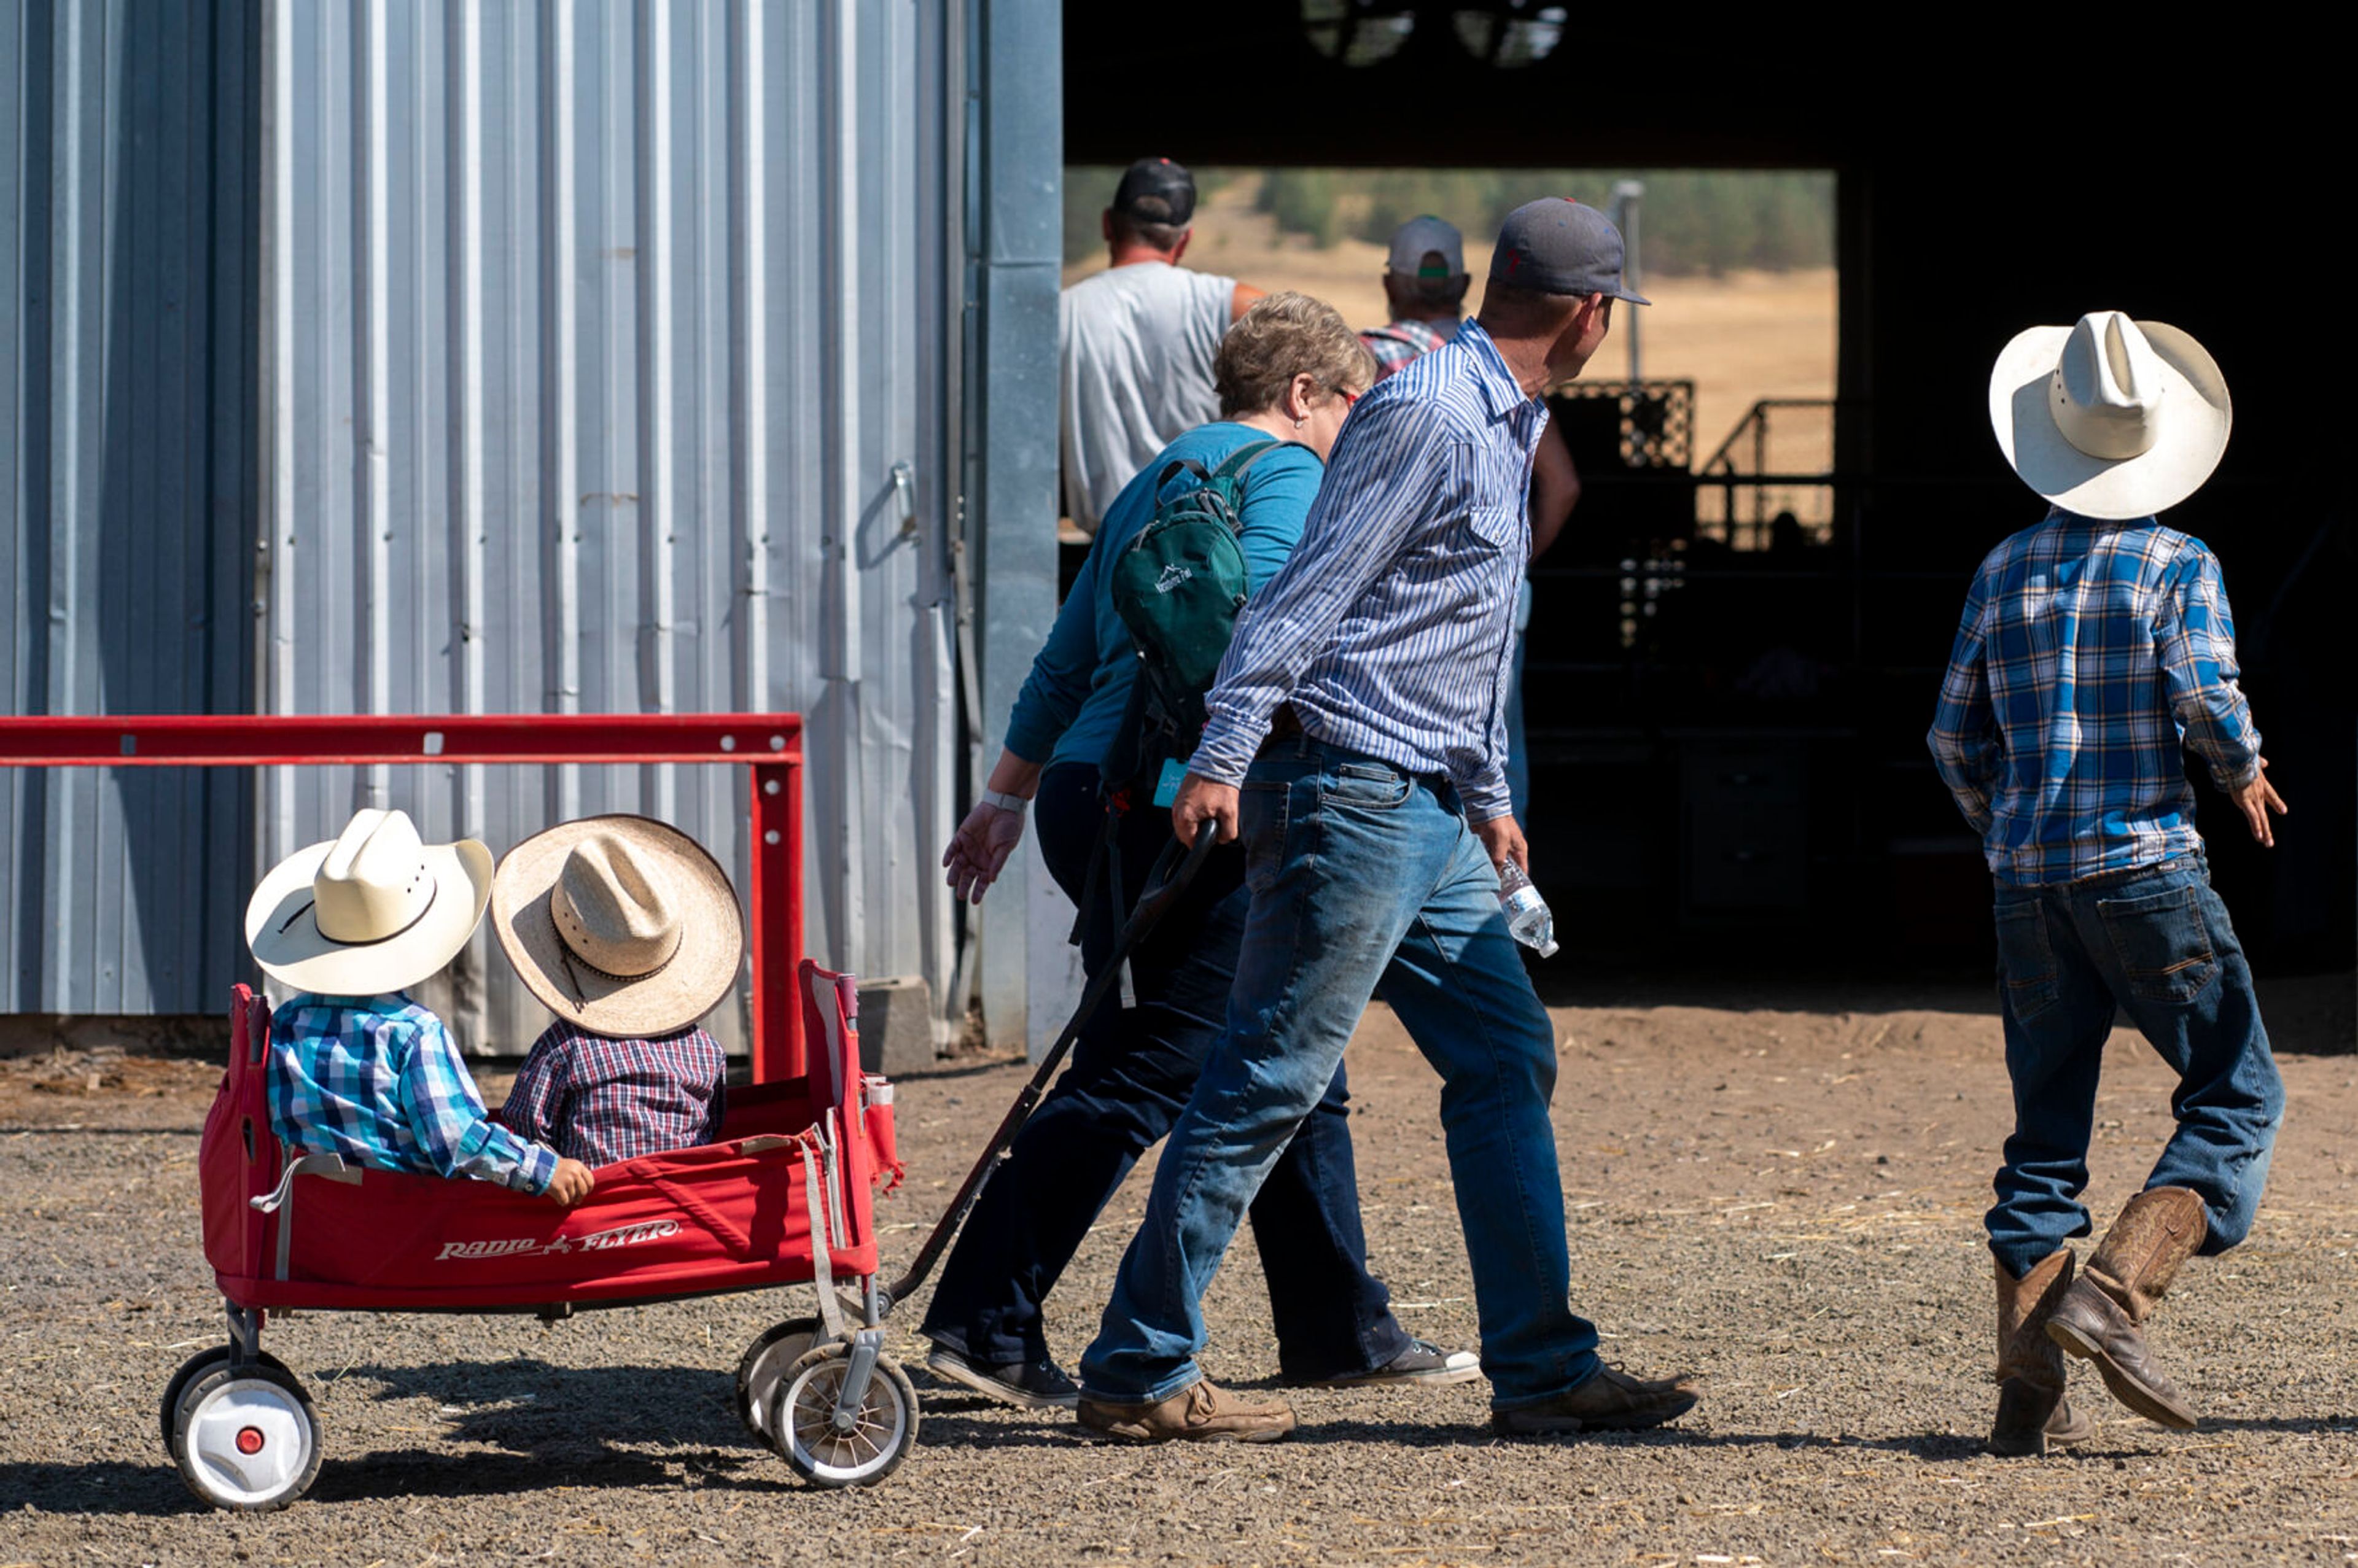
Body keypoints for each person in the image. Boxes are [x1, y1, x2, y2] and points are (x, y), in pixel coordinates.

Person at [1072, 200, 1697, 1445]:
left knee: (1503, 1052)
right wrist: (1224, 751)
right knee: (1265, 1078)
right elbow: (1309, 598)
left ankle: (1539, 1363)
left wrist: (1489, 796)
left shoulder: (1499, 417)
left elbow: (1447, 635)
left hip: (1422, 802)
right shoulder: (1429, 416)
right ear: (1585, 315)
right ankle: (1140, 1365)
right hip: (1352, 792)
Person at [930, 293, 1474, 1410]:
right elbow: (1274, 630)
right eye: (1354, 409)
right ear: (1303, 394)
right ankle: (982, 1321)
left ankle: (1337, 1323)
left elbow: (1065, 661)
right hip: (1191, 800)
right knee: (1145, 1068)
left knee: (1287, 1045)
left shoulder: (1154, 479)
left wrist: (1003, 798)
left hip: (1094, 790)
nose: (1361, 435)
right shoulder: (1287, 476)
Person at [1931, 310, 2286, 1456]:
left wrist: (2007, 829)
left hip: (2028, 883)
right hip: (2144, 868)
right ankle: (2119, 1290)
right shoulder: (2179, 563)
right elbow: (2204, 692)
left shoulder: (2002, 565)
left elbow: (1949, 734)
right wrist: (2243, 770)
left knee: (2044, 1132)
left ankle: (2025, 1385)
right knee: (2236, 1088)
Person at [246, 808, 593, 1208]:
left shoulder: (286, 1024)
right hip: (400, 1221)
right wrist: (540, 1169)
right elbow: (455, 1140)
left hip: (312, 1221)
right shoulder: (411, 1032)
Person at [1361, 214, 1579, 823]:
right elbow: (1561, 486)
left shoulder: (1365, 360)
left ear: (1390, 284)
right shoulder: (1507, 370)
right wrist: (1516, 556)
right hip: (1495, 606)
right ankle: (1498, 901)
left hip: (1391, 607)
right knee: (1498, 767)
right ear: (1461, 286)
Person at [489, 816, 741, 1167]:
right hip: (682, 1207)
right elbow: (711, 1126)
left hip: (593, 1212)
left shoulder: (564, 1046)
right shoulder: (706, 1051)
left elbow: (525, 1129)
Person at [1060, 157, 1266, 535]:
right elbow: (1303, 338)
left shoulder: (1064, 312)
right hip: (1204, 540)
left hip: (1107, 544)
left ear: (1108, 224)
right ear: (1184, 240)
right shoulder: (1225, 302)